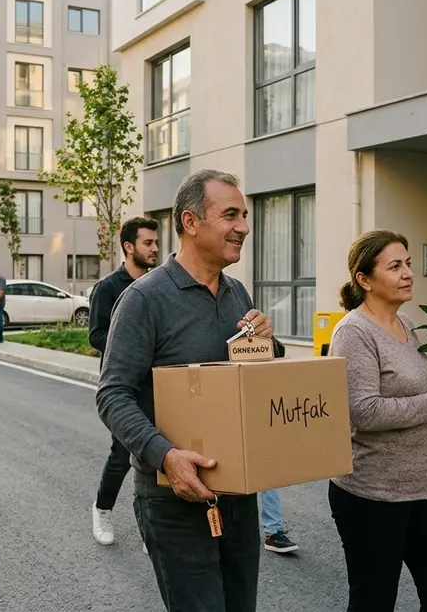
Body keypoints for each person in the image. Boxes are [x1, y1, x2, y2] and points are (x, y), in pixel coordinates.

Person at [97, 170, 283, 612]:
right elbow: (112, 394)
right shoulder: (145, 299)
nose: (244, 226)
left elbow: (249, 378)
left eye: (245, 215)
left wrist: (269, 344)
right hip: (173, 500)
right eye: (231, 214)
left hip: (238, 495)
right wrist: (166, 456)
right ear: (191, 221)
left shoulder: (237, 293)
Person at [327, 230, 427, 612]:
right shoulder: (353, 333)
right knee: (373, 602)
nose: (408, 272)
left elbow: (420, 394)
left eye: (408, 263)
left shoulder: (406, 324)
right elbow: (363, 411)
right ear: (364, 279)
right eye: (395, 266)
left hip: (425, 490)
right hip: (371, 496)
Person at [89, 216, 159, 547]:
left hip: (157, 384)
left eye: (156, 243)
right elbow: (95, 335)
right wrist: (135, 346)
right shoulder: (108, 288)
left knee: (157, 452)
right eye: (148, 243)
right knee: (122, 453)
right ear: (129, 247)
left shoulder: (157, 286)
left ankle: (149, 525)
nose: (155, 249)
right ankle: (102, 508)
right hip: (123, 384)